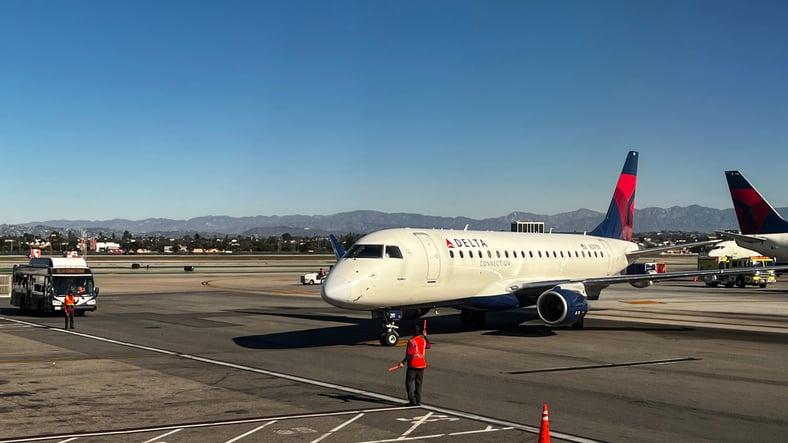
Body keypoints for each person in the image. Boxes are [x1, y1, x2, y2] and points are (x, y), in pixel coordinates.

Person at [398, 324, 430, 406]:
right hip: (422, 364)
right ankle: (418, 400)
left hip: (413, 364)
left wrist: (403, 362)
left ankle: (412, 400)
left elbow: (410, 354)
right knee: (418, 384)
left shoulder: (411, 341)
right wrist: (425, 336)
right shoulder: (423, 340)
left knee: (409, 383)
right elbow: (428, 346)